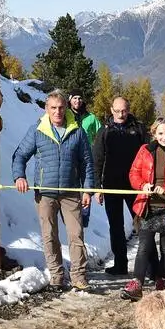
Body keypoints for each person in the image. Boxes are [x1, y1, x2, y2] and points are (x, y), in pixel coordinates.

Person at [12, 90, 95, 290]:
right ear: (46, 109)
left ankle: (78, 276)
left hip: (71, 192)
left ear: (66, 107)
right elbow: (20, 155)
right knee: (49, 235)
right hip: (45, 194)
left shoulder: (77, 131)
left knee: (76, 235)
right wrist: (19, 176)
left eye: (60, 107)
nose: (57, 112)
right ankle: (56, 276)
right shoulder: (37, 130)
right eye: (53, 108)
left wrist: (88, 190)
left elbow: (87, 164)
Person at [121, 117, 165, 301]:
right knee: (144, 247)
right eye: (160, 133)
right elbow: (133, 173)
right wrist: (142, 185)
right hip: (148, 206)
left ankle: (161, 279)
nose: (164, 137)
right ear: (154, 134)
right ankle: (136, 283)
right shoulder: (144, 150)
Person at [92, 95, 149, 275]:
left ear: (129, 109)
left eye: (124, 110)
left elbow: (149, 157)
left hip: (136, 185)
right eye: (117, 111)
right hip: (111, 185)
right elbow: (97, 160)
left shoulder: (139, 129)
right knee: (115, 227)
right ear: (111, 110)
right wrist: (97, 187)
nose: (121, 114)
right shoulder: (104, 131)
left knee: (144, 225)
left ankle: (150, 264)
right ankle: (120, 264)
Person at [70, 93, 102, 228]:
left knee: (86, 189)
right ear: (70, 99)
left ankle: (83, 220)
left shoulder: (91, 118)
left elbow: (101, 135)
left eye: (80, 98)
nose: (77, 100)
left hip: (86, 159)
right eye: (75, 98)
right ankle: (70, 218)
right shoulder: (66, 115)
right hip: (70, 157)